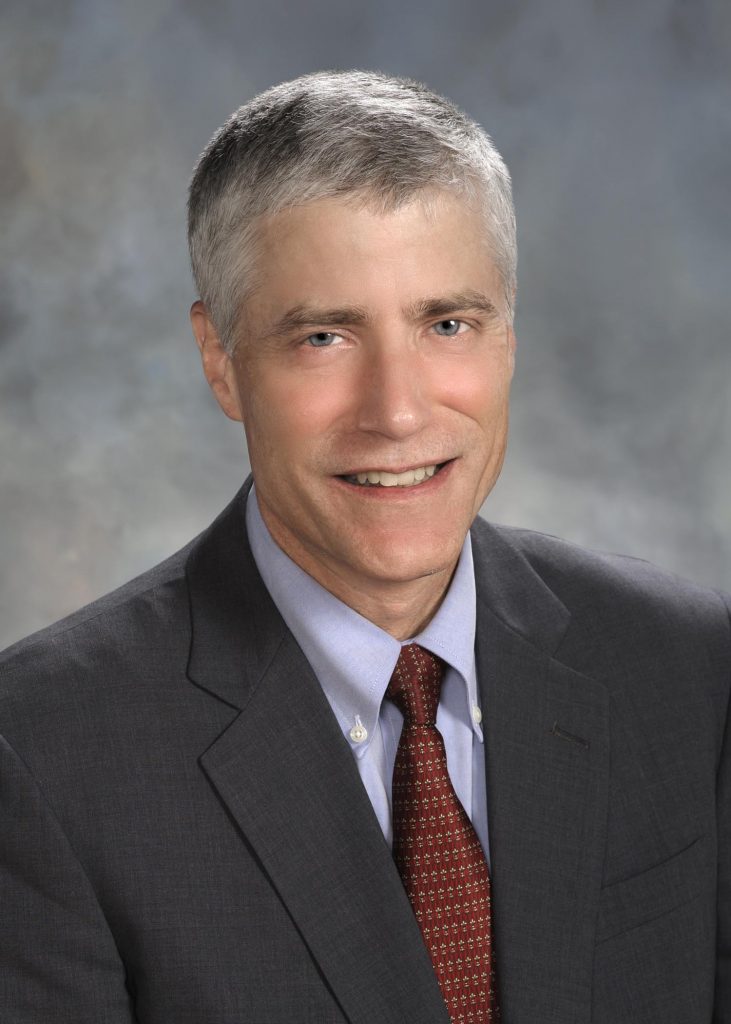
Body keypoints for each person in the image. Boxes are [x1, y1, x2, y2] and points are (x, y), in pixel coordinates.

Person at [0, 70, 728, 1024]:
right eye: (323, 337)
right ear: (220, 360)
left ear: (508, 334)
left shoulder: (688, 668)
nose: (396, 411)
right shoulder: (42, 753)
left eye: (446, 323)